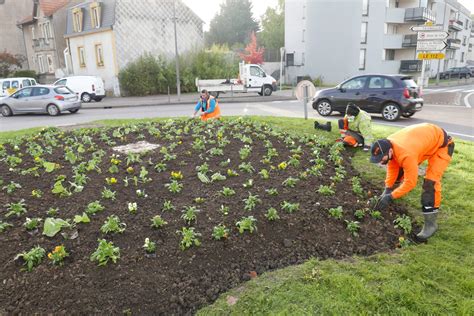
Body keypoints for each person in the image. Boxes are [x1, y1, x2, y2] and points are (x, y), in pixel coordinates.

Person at [369, 123, 455, 241]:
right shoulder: (389, 144)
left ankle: (431, 225)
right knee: (398, 172)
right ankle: (392, 196)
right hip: (425, 143)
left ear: (389, 151)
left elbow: (411, 183)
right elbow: (393, 167)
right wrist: (387, 189)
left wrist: (391, 196)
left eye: (380, 158)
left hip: (442, 145)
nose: (379, 161)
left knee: (430, 184)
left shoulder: (406, 154)